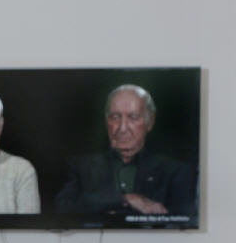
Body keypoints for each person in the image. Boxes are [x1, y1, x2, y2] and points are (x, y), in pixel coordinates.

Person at [56, 84, 197, 216]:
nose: (122, 128)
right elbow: (62, 209)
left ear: (150, 121)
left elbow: (181, 219)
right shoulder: (79, 167)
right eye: (115, 117)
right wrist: (124, 199)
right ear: (106, 120)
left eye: (133, 117)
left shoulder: (176, 172)